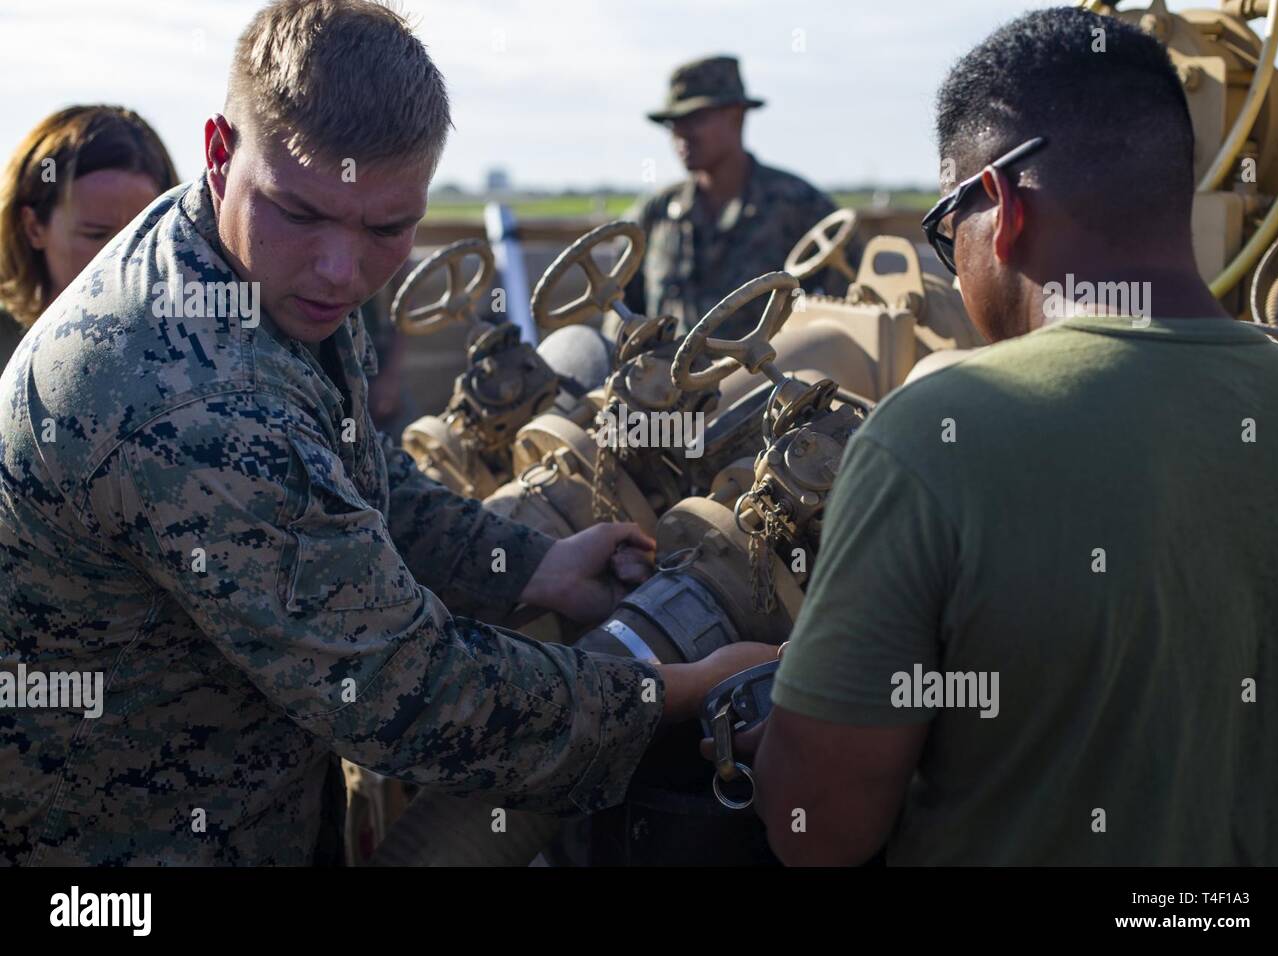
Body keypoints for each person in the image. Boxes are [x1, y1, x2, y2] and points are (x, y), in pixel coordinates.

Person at [0, 0, 772, 866]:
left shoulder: (250, 265)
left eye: (386, 228)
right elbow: (405, 692)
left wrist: (534, 565)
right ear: (220, 153)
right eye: (299, 212)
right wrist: (671, 691)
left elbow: (344, 472)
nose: (342, 269)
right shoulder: (193, 402)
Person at [750, 6, 1278, 865]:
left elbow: (815, 829)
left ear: (1000, 208)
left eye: (946, 232)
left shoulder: (935, 435)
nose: (951, 264)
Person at [623, 55, 850, 338]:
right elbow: (621, 312)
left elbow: (853, 302)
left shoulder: (798, 206)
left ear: (736, 117)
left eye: (695, 119)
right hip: (666, 379)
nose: (681, 134)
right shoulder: (656, 213)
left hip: (768, 378)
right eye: (673, 123)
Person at [0, 105, 178, 372]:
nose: (125, 256)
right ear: (34, 227)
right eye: (96, 234)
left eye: (144, 236)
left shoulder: (189, 346)